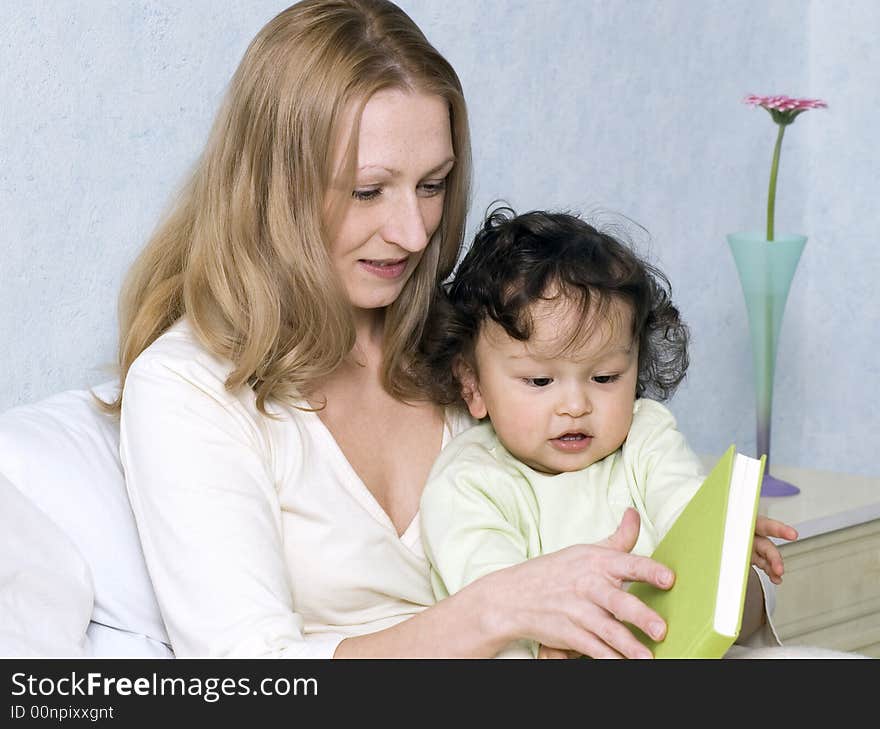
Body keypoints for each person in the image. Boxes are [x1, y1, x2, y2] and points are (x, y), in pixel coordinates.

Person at [109, 0, 759, 660]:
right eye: (369, 191)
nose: (415, 232)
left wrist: (728, 562)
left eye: (433, 184)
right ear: (274, 187)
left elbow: (641, 513)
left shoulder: (473, 339)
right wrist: (501, 607)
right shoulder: (189, 387)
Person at [418, 206, 798, 658]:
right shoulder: (468, 481)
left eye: (605, 378)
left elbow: (682, 504)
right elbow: (495, 600)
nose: (576, 406)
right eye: (540, 382)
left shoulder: (645, 437)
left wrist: (723, 536)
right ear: (472, 385)